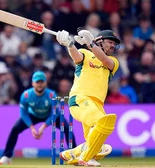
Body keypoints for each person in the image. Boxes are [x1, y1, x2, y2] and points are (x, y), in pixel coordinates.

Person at [56, 29, 120, 166]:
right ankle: (85, 157)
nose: (113, 46)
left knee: (96, 142)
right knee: (105, 122)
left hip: (96, 105)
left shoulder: (113, 62)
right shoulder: (85, 54)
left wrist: (91, 43)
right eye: (110, 42)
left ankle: (70, 154)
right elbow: (76, 57)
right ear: (100, 42)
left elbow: (104, 60)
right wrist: (70, 44)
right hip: (80, 99)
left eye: (114, 43)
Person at [0, 71, 77, 165]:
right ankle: (6, 156)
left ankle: (75, 155)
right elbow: (23, 113)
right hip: (33, 115)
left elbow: (55, 113)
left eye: (41, 82)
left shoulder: (51, 95)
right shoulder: (26, 95)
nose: (39, 84)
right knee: (15, 129)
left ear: (45, 83)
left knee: (67, 128)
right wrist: (32, 128)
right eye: (37, 82)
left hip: (49, 116)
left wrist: (43, 127)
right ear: (32, 83)